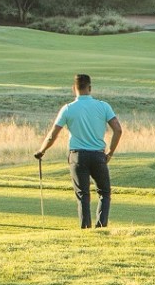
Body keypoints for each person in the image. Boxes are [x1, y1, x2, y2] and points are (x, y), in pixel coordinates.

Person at [36, 73, 122, 228]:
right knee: (104, 193)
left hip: (77, 156)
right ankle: (101, 227)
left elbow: (53, 135)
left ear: (73, 88)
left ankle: (85, 229)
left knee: (83, 195)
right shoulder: (103, 106)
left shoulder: (68, 109)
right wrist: (110, 152)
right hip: (98, 155)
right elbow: (118, 130)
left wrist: (42, 150)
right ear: (90, 88)